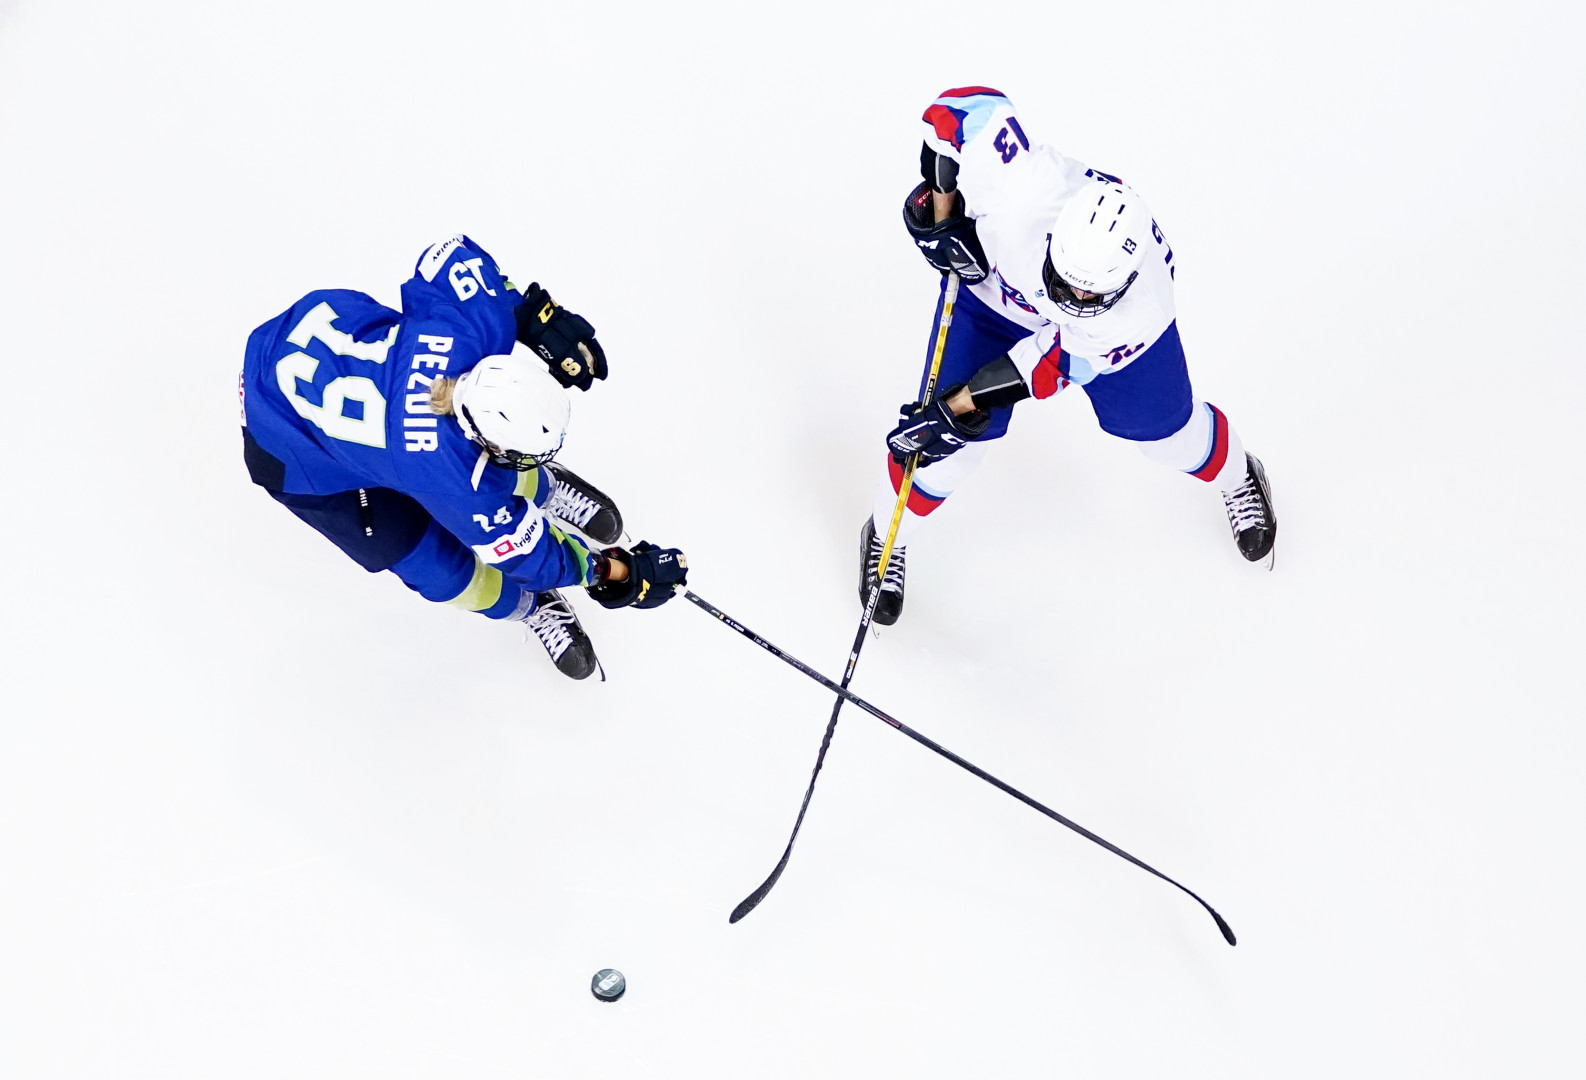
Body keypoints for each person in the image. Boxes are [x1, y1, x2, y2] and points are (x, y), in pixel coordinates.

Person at [865, 86, 1277, 624]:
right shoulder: (1026, 189)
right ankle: (887, 531)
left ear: (1122, 285)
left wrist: (955, 409)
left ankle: (1238, 475)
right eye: (1065, 282)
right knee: (947, 453)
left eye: (1087, 296)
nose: (1070, 300)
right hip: (997, 298)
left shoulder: (1135, 313)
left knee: (1168, 434)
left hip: (1099, 349)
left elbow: (1045, 365)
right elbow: (959, 111)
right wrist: (943, 214)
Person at [239, 235, 688, 679]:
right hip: (290, 446)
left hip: (298, 346)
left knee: (475, 479)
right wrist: (607, 570)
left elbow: (446, 256)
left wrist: (531, 316)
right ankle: (532, 605)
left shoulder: (473, 328)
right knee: (438, 572)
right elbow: (526, 554)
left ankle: (544, 488)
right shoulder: (457, 478)